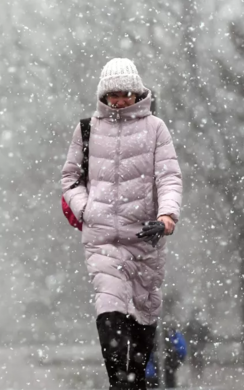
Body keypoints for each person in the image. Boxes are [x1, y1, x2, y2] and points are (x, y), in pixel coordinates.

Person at [61, 58, 183, 390]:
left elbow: (169, 178)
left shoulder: (156, 128)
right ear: (103, 94)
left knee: (144, 318)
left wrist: (167, 217)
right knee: (109, 309)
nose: (119, 101)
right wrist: (87, 210)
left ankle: (135, 380)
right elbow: (70, 179)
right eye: (112, 94)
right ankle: (119, 382)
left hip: (145, 239)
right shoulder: (87, 129)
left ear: (137, 92)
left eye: (125, 93)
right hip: (103, 240)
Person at [183, 309, 212, 381]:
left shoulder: (199, 325)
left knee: (198, 361)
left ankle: (198, 375)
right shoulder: (193, 325)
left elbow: (205, 335)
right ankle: (196, 375)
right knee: (196, 361)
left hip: (198, 346)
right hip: (195, 346)